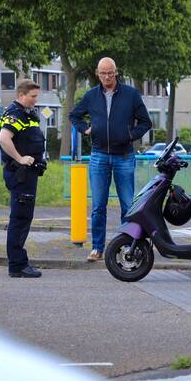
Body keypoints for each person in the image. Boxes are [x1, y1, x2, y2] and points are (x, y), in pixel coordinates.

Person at [69, 57, 152, 262]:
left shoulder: (131, 95)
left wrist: (130, 135)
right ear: (98, 74)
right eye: (103, 73)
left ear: (116, 72)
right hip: (99, 156)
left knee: (128, 205)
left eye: (110, 73)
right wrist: (85, 129)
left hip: (124, 156)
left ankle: (128, 247)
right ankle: (97, 247)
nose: (107, 77)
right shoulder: (91, 96)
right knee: (98, 206)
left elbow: (145, 122)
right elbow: (74, 115)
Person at [0, 79, 46, 279]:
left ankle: (19, 262)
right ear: (21, 95)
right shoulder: (15, 114)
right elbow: (3, 138)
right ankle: (17, 265)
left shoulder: (26, 114)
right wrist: (20, 158)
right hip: (20, 174)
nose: (35, 100)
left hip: (28, 175)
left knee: (24, 218)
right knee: (19, 219)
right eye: (33, 96)